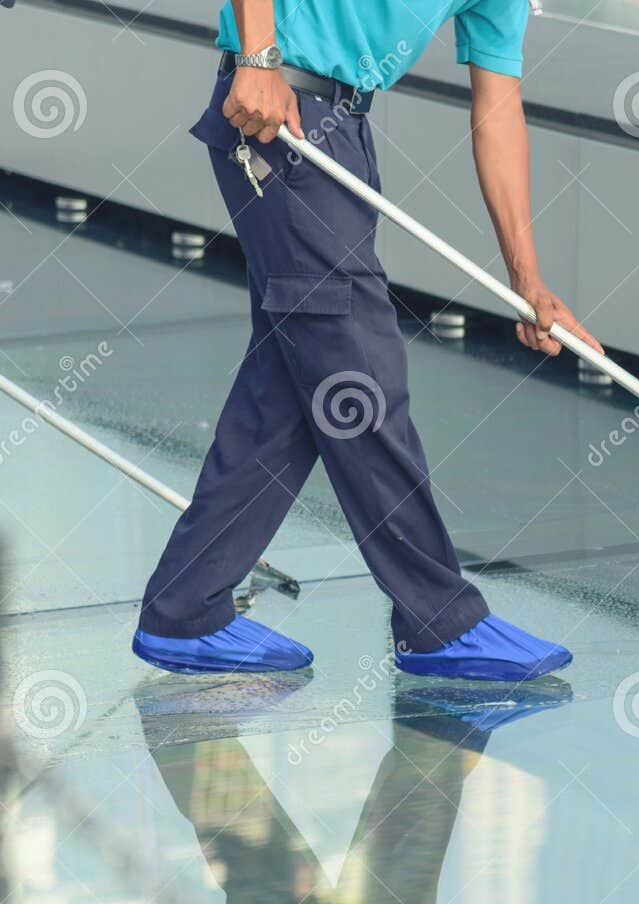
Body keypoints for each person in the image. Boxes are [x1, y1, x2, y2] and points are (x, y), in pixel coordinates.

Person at [133, 0, 601, 681]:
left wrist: (527, 281)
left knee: (292, 392)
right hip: (275, 113)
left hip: (341, 130)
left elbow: (498, 111)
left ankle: (184, 611)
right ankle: (438, 620)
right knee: (360, 373)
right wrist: (258, 59)